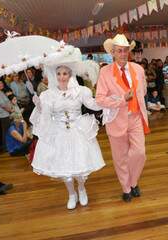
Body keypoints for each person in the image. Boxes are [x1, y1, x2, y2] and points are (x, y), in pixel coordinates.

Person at [30, 49, 105, 210]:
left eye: (65, 73)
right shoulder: (48, 95)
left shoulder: (80, 91)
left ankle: (82, 189)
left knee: (80, 164)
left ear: (70, 75)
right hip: (59, 133)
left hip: (78, 130)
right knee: (64, 167)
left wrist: (105, 98)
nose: (61, 77)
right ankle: (71, 194)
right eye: (59, 74)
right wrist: (40, 106)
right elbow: (46, 116)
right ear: (54, 76)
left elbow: (92, 105)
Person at [96, 34, 150, 202]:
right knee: (120, 158)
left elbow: (144, 91)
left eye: (126, 50)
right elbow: (100, 99)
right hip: (116, 120)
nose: (123, 54)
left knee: (139, 153)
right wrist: (121, 100)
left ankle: (133, 182)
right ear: (113, 53)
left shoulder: (138, 69)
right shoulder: (105, 72)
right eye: (119, 51)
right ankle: (126, 188)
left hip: (135, 118)